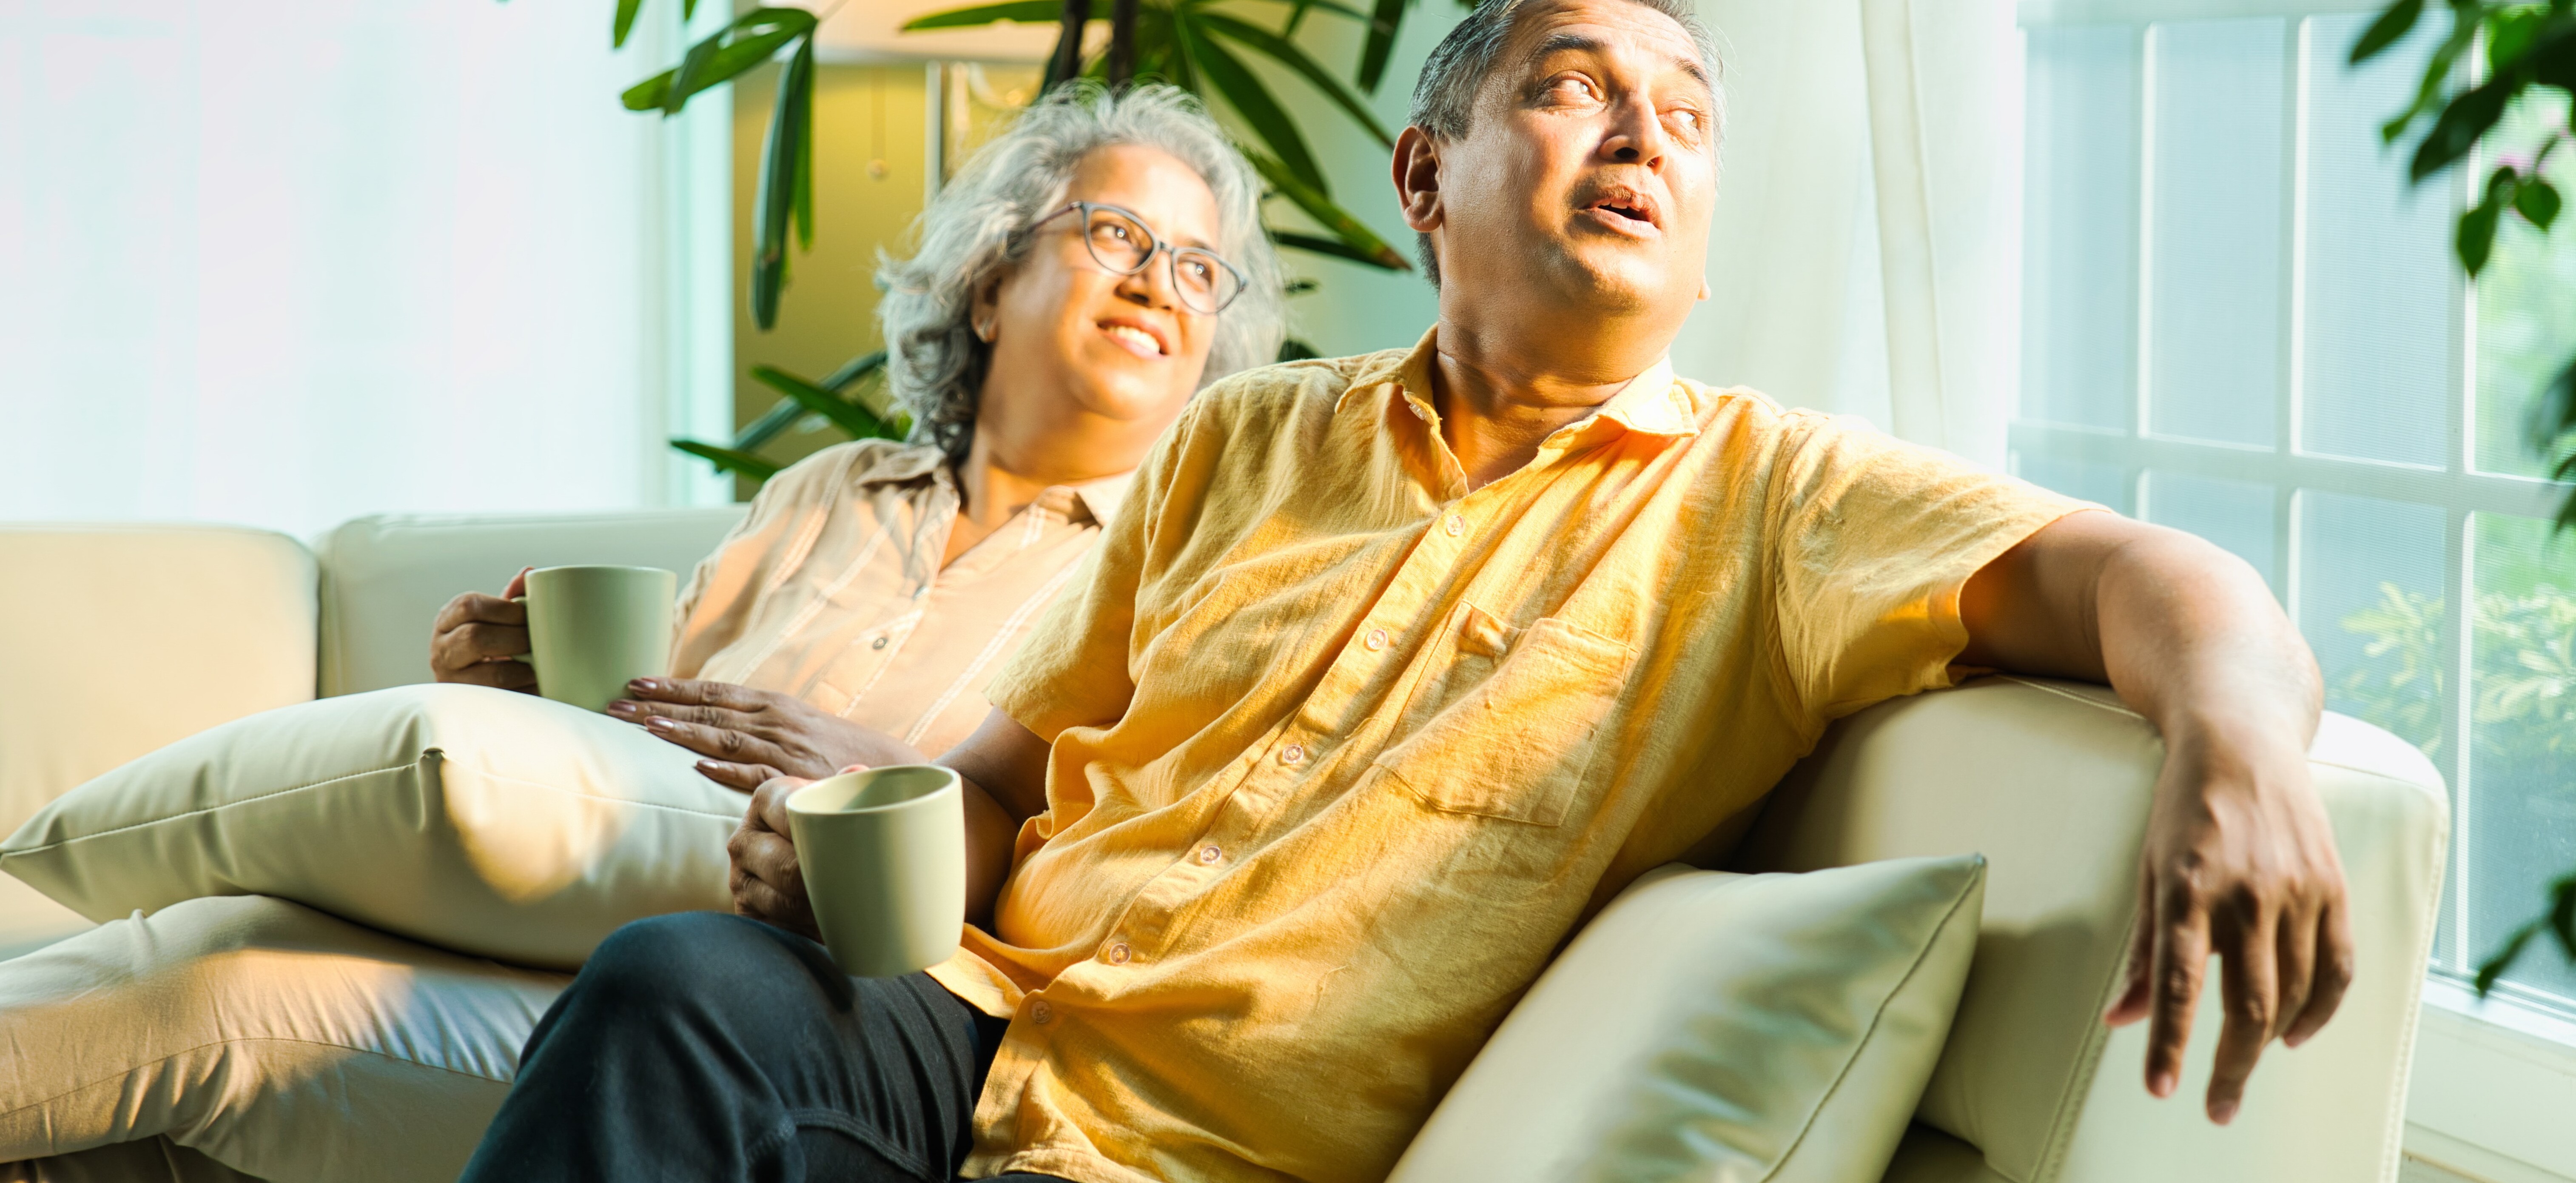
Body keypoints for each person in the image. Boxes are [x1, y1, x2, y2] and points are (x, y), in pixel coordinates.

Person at [460, 3, 2352, 1181]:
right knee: (677, 989)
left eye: (1683, 119)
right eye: (1576, 87)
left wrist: (2238, 741)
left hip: (1224, 1160)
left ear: (1697, 260)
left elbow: (2153, 576)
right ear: (1423, 179)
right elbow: (1004, 775)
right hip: (981, 1042)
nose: (1641, 133)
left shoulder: (1779, 502)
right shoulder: (1242, 435)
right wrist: (853, 840)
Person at [0, 83, 1280, 1181]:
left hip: (786, 1004)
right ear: (992, 284)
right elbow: (632, 737)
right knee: (176, 964)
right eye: (1115, 231)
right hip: (594, 932)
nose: (1157, 281)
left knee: (210, 999)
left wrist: (869, 797)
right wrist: (518, 693)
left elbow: (1131, 863)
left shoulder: (1174, 568)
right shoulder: (825, 493)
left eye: (1195, 266)